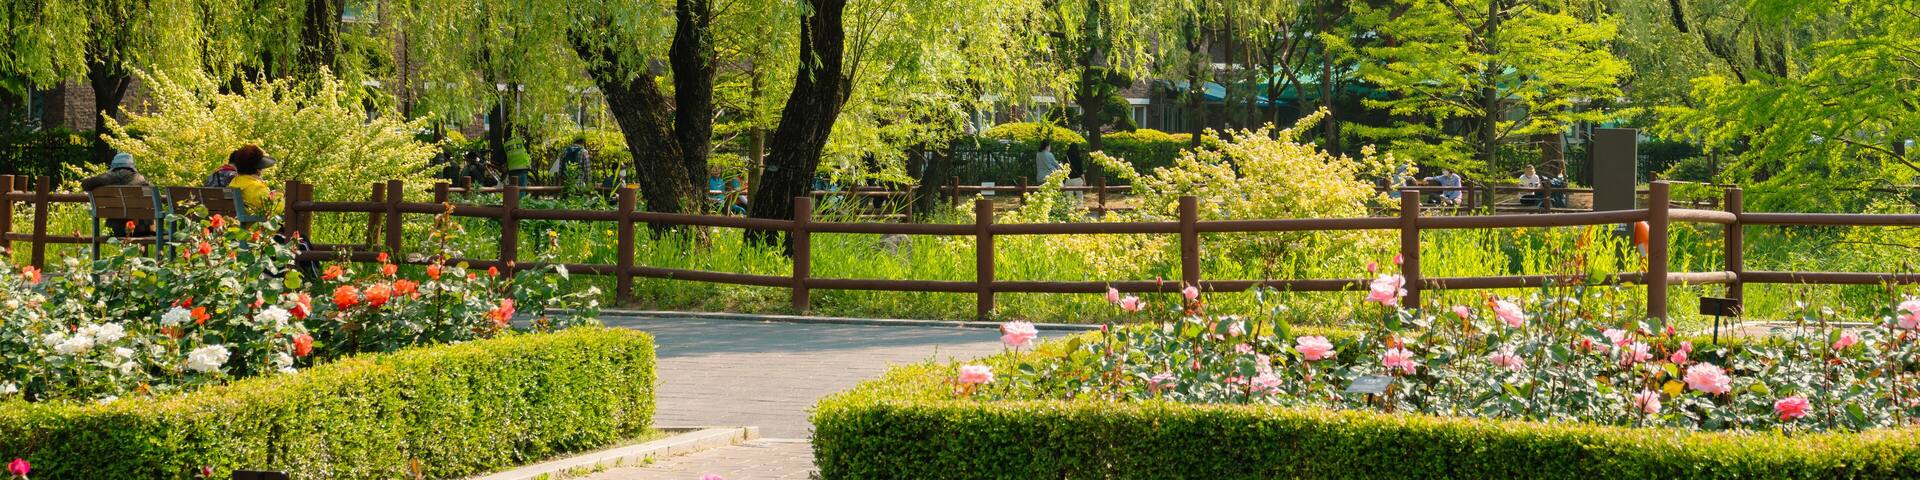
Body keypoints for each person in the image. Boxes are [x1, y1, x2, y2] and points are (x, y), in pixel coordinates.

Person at [81, 152, 155, 237]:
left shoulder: (105, 178)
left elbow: (85, 184)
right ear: (132, 165)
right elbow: (152, 196)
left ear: (113, 165)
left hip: (117, 229)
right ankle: (148, 239)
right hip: (140, 229)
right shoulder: (140, 179)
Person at [226, 144, 280, 218]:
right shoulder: (256, 187)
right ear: (258, 169)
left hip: (236, 226)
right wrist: (279, 195)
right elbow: (273, 209)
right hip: (253, 227)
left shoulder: (234, 182)